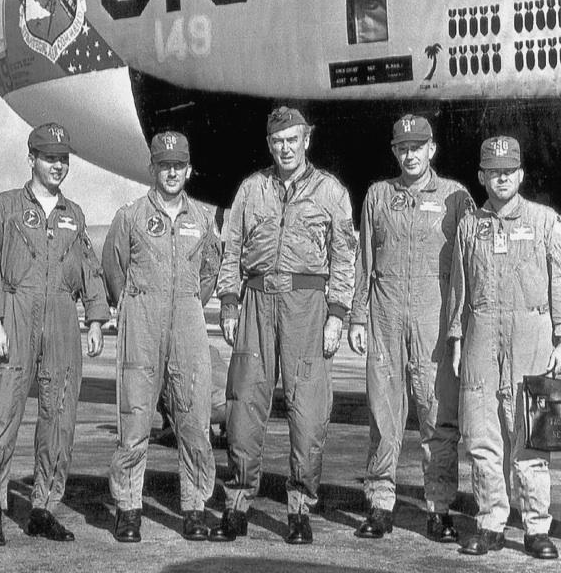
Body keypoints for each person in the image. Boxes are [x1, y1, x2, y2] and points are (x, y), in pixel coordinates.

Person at [211, 106, 357, 545]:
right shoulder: (251, 189)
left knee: (309, 412)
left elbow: (346, 256)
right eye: (277, 140)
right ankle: (237, 504)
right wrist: (230, 303)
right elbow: (231, 244)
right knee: (243, 408)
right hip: (256, 300)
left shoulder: (331, 191)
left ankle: (299, 509)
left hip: (307, 306)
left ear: (306, 140)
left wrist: (337, 313)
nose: (285, 147)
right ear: (269, 144)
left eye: (293, 139)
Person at [0, 123, 108, 547]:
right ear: (32, 159)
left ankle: (44, 507)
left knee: (60, 416)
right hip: (15, 314)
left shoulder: (74, 215)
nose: (57, 166)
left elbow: (88, 267)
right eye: (49, 158)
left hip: (62, 317)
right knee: (2, 414)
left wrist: (96, 317)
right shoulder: (2, 208)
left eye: (63, 159)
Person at [447, 135, 561, 559]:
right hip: (481, 335)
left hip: (532, 333)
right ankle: (490, 523)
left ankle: (536, 526)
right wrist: (455, 337)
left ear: (520, 174)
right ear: (482, 176)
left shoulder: (545, 221)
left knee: (531, 436)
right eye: (493, 171)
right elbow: (458, 285)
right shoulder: (470, 224)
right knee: (483, 436)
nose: (502, 177)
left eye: (509, 170)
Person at [348, 114, 474, 541]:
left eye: (417, 146)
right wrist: (357, 316)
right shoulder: (378, 195)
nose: (409, 154)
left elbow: (466, 267)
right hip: (385, 313)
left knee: (437, 415)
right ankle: (380, 503)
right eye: (402, 147)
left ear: (431, 149)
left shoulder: (456, 197)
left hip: (433, 316)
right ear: (394, 151)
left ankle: (438, 508)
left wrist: (459, 326)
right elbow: (363, 259)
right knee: (384, 414)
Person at [101, 131, 222, 543]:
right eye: (163, 165)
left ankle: (194, 508)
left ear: (188, 169)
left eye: (178, 165)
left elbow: (209, 273)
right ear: (152, 169)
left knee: (193, 421)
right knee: (134, 419)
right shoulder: (130, 216)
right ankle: (129, 509)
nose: (171, 172)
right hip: (142, 325)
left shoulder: (203, 220)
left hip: (187, 325)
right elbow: (113, 266)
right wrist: (135, 305)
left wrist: (187, 304)